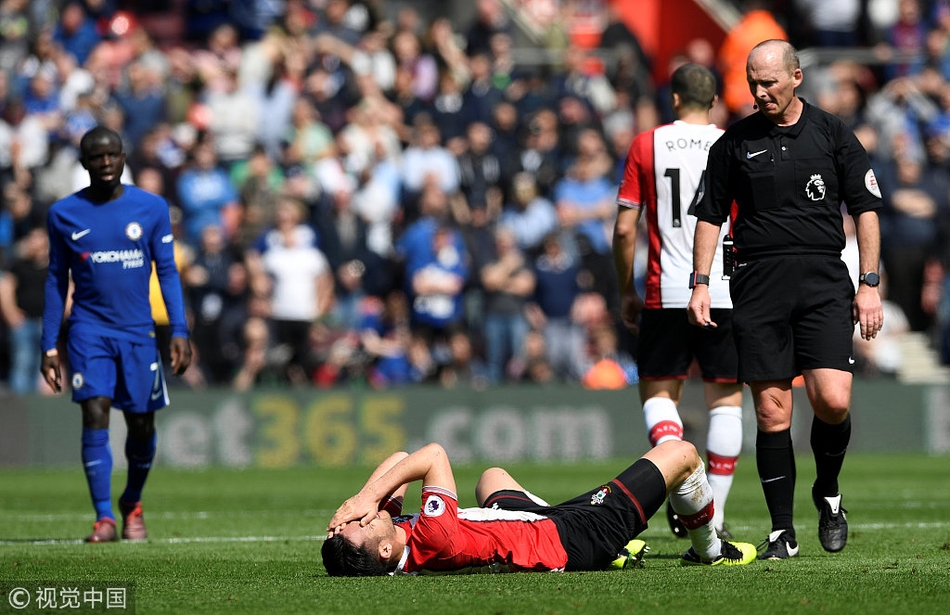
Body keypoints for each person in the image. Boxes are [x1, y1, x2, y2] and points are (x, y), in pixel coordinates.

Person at [687, 40, 884, 560]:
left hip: (824, 282)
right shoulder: (734, 142)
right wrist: (700, 282)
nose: (759, 92)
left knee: (833, 401)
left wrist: (868, 282)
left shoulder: (833, 133)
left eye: (769, 82)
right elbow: (709, 214)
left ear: (796, 77)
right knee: (773, 413)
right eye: (753, 82)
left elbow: (865, 208)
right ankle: (782, 533)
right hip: (758, 285)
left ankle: (829, 491)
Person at [40, 126, 193, 543]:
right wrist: (49, 343)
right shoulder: (63, 213)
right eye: (96, 156)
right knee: (95, 411)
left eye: (112, 155)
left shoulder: (151, 207)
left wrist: (178, 330)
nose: (105, 162)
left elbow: (167, 271)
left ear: (123, 158)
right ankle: (104, 518)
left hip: (139, 332)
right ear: (84, 162)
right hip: (88, 330)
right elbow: (56, 280)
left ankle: (132, 501)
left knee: (141, 425)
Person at [613, 63, 744, 540]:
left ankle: (683, 486)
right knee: (726, 401)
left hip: (665, 287)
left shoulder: (646, 144)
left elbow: (625, 228)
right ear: (714, 102)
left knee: (658, 396)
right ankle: (716, 514)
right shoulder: (733, 142)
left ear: (673, 99)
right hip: (723, 287)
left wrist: (625, 290)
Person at [323, 440, 757, 576]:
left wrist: (364, 501)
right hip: (573, 538)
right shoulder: (433, 540)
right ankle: (708, 551)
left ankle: (619, 552)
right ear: (384, 551)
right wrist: (365, 497)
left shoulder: (393, 535)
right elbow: (432, 455)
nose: (365, 515)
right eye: (362, 524)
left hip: (533, 525)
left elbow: (399, 460)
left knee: (491, 477)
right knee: (682, 454)